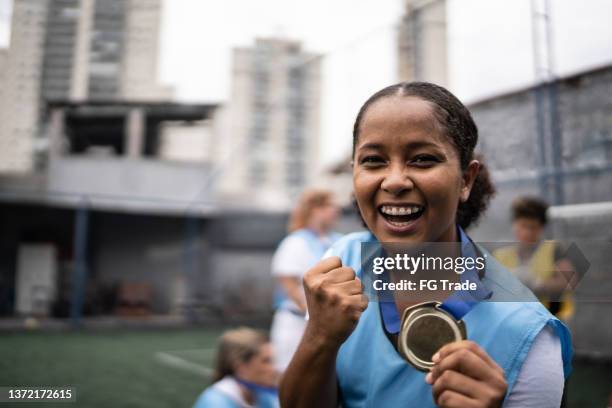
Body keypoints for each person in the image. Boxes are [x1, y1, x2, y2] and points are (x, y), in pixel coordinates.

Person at [280, 82, 572, 408]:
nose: (394, 181)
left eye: (422, 159)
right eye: (374, 160)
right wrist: (319, 338)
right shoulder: (342, 261)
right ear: (354, 173)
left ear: (466, 180)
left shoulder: (529, 335)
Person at [270, 189, 342, 372]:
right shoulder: (295, 242)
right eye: (329, 205)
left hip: (330, 325)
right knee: (291, 379)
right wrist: (317, 318)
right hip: (296, 325)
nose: (336, 210)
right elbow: (290, 287)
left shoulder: (339, 241)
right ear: (315, 209)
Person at [493, 196, 576, 321]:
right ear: (514, 225)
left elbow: (569, 282)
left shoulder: (553, 250)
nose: (527, 232)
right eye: (523, 226)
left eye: (533, 227)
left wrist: (538, 284)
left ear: (541, 228)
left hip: (549, 321)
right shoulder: (500, 255)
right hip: (514, 321)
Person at [193, 328, 278, 408]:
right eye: (266, 361)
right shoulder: (216, 403)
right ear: (240, 366)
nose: (274, 368)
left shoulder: (263, 396)